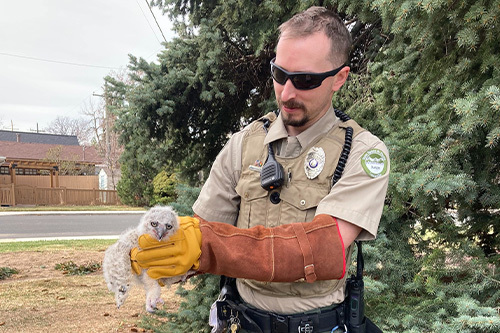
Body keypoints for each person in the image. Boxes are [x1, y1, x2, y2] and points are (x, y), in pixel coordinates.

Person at [131, 6, 390, 333]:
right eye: (280, 75)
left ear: (339, 78)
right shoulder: (243, 144)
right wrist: (161, 255)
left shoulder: (364, 152)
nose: (288, 92)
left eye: (306, 80)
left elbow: (323, 247)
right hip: (243, 323)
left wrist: (206, 246)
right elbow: (203, 232)